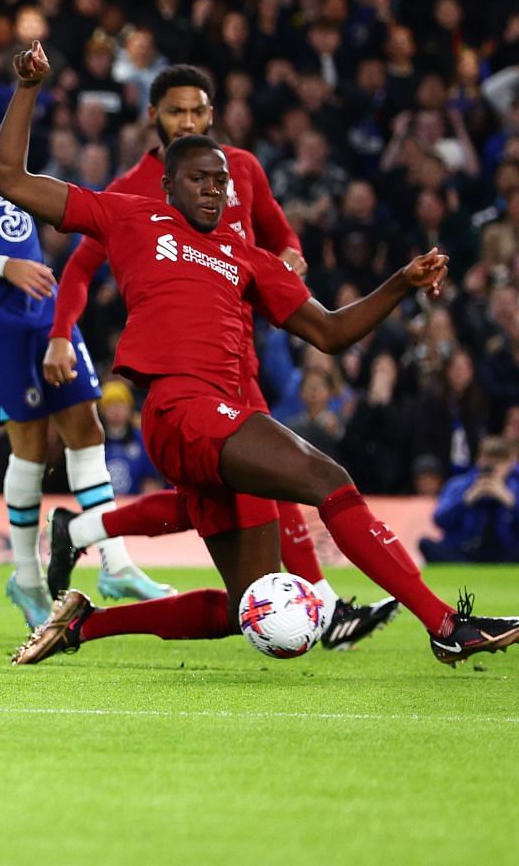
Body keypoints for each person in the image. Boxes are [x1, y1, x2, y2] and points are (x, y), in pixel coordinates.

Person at [0, 42, 519, 668]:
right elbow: (9, 179)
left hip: (214, 419)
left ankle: (85, 625)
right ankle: (446, 625)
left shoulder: (246, 259)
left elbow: (330, 332)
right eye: (198, 179)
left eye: (221, 182)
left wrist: (400, 284)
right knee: (329, 481)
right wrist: (29, 89)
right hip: (181, 407)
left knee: (243, 605)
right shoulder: (130, 214)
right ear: (167, 184)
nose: (214, 191)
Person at [44, 63, 400, 651]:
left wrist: (287, 262)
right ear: (152, 118)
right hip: (188, 365)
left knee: (215, 498)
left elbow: (282, 237)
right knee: (276, 478)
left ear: (212, 115)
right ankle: (324, 603)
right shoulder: (136, 191)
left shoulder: (237, 173)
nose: (186, 120)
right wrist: (62, 332)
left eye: (196, 111)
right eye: (175, 111)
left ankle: (81, 531)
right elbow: (81, 266)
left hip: (243, 357)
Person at [0, 36, 171, 629]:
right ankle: (25, 578)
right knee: (29, 438)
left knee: (86, 422)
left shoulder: (3, 147)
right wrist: (4, 266)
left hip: (44, 307)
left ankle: (116, 563)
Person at [420, 438, 519, 565]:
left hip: (505, 552)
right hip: (464, 550)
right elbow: (439, 520)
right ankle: (468, 568)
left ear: (509, 465)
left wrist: (509, 500)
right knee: (425, 544)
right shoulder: (459, 484)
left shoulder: (518, 486)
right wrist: (467, 499)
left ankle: (495, 569)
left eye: (499, 462)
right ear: (479, 461)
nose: (493, 467)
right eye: (489, 461)